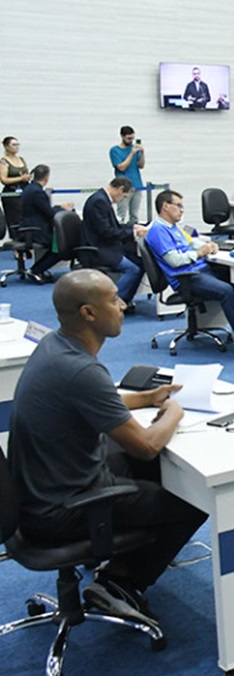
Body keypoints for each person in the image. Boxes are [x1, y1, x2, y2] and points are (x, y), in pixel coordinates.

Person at [8, 269, 208, 627]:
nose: (123, 304)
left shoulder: (56, 345)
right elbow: (146, 445)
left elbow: (93, 403)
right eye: (114, 299)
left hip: (39, 489)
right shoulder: (81, 370)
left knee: (149, 468)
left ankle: (115, 561)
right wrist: (173, 413)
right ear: (88, 313)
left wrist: (146, 398)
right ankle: (120, 583)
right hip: (60, 510)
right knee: (193, 497)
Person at [145, 189, 234, 354]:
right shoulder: (158, 230)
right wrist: (200, 253)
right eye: (178, 206)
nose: (182, 210)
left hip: (200, 270)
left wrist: (209, 245)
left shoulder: (174, 228)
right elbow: (174, 261)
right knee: (226, 291)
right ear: (165, 206)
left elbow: (190, 243)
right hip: (187, 278)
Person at [82, 176, 148, 311]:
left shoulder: (102, 199)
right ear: (120, 189)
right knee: (132, 269)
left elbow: (114, 227)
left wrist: (133, 228)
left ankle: (125, 300)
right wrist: (133, 234)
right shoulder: (99, 202)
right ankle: (113, 305)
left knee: (141, 263)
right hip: (99, 249)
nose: (122, 199)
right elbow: (107, 232)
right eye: (124, 196)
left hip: (106, 245)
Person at [19, 163, 75, 284]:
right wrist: (63, 209)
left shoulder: (30, 188)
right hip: (36, 230)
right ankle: (36, 270)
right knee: (61, 247)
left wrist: (59, 207)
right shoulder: (37, 192)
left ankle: (37, 269)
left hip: (31, 228)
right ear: (46, 178)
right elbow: (49, 213)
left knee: (57, 245)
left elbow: (43, 209)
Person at [109, 125, 147, 224]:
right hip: (123, 187)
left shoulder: (134, 149)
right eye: (128, 138)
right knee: (121, 214)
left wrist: (142, 153)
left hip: (137, 184)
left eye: (132, 138)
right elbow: (121, 167)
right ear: (122, 136)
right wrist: (132, 153)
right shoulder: (115, 150)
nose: (131, 141)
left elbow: (141, 165)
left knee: (134, 215)